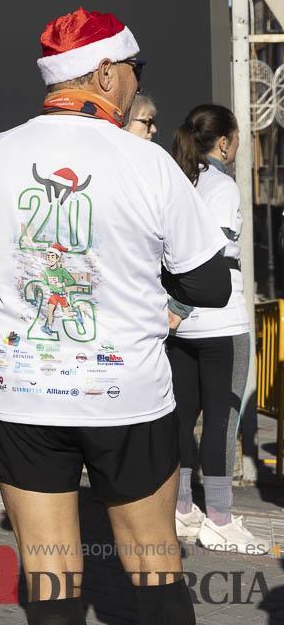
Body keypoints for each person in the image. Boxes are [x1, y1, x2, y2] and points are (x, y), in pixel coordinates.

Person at [0, 8, 230, 625]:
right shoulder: (145, 161)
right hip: (125, 396)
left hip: (24, 394)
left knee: (50, 582)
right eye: (135, 68)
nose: (138, 80)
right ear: (104, 73)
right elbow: (208, 284)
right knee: (154, 572)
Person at [167, 104, 266, 554]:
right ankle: (220, 521)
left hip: (183, 330)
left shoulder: (181, 180)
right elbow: (217, 255)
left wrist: (175, 309)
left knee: (183, 418)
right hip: (220, 322)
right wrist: (182, 305)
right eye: (238, 137)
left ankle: (183, 508)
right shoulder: (222, 187)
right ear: (224, 142)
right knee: (222, 422)